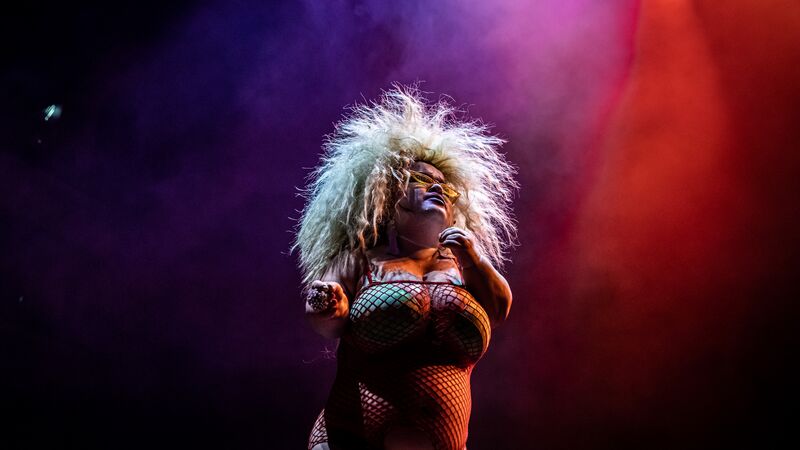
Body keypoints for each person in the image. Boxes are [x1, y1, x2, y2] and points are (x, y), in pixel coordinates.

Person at [293, 86, 518, 450]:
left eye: (445, 188)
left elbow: (501, 307)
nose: (438, 190)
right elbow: (325, 321)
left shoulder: (465, 265)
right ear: (388, 194)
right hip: (350, 436)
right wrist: (328, 303)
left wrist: (474, 255)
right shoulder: (362, 257)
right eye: (422, 181)